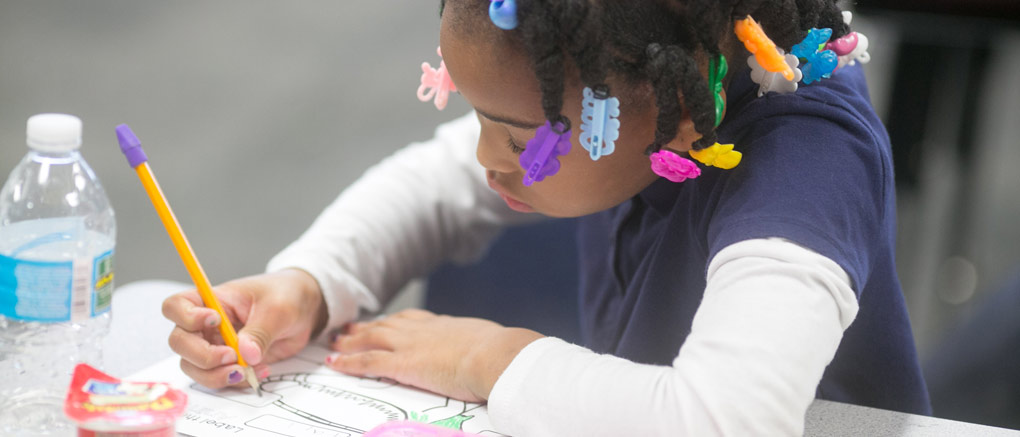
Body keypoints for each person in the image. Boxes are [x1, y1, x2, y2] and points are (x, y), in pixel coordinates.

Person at [161, 0, 931, 434]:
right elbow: (436, 182)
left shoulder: (808, 167)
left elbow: (723, 420)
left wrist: (491, 358)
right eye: (479, 119)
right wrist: (311, 282)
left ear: (677, 111)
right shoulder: (637, 94)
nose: (485, 157)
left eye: (515, 137)